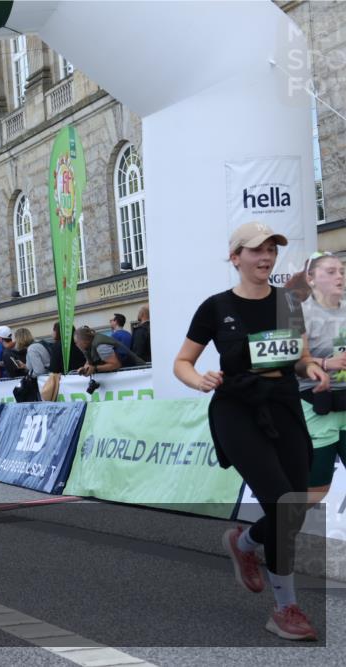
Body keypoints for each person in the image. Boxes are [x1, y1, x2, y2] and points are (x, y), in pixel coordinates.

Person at [173, 222, 328, 641]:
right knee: (280, 501)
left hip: (283, 404)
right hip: (236, 410)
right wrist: (197, 379)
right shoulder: (215, 306)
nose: (265, 258)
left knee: (294, 505)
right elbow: (182, 362)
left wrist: (310, 367)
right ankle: (285, 608)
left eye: (271, 250)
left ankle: (244, 544)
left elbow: (299, 357)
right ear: (235, 257)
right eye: (256, 250)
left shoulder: (288, 303)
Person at [296, 252, 346, 508]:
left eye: (341, 271)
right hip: (317, 407)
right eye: (330, 271)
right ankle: (251, 537)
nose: (339, 276)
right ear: (311, 278)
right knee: (317, 491)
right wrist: (326, 364)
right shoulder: (299, 314)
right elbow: (291, 362)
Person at [74, 325, 144, 376]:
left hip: (138, 373)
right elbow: (89, 362)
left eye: (77, 342)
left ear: (84, 341)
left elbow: (116, 364)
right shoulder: (89, 346)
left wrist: (95, 369)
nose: (76, 345)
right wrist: (84, 369)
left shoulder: (100, 345)